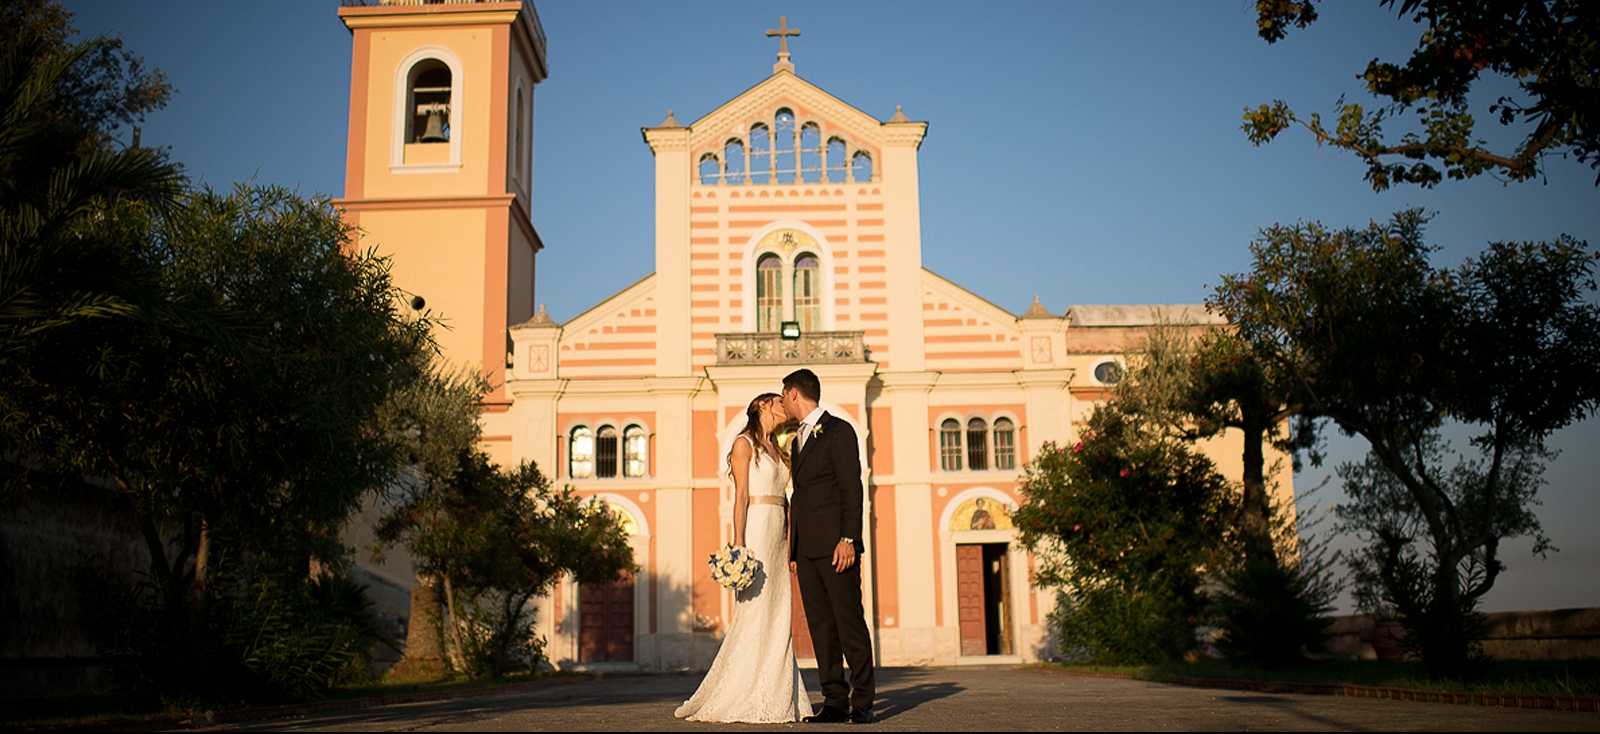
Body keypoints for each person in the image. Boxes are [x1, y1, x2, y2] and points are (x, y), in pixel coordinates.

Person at [673, 393, 814, 724]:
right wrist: (739, 544)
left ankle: (780, 693)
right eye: (778, 401)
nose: (784, 406)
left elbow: (789, 501)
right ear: (762, 406)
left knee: (780, 612)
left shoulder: (778, 449)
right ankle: (742, 691)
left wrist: (791, 546)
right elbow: (741, 499)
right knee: (756, 611)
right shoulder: (743, 444)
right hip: (757, 528)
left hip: (780, 530)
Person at [781, 368, 875, 724]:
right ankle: (834, 701)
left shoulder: (839, 430)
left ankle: (863, 702)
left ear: (793, 394)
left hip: (838, 547)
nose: (783, 403)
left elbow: (852, 487)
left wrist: (848, 538)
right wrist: (794, 551)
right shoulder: (796, 439)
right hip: (807, 552)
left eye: (783, 395)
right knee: (821, 626)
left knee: (849, 623)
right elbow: (801, 497)